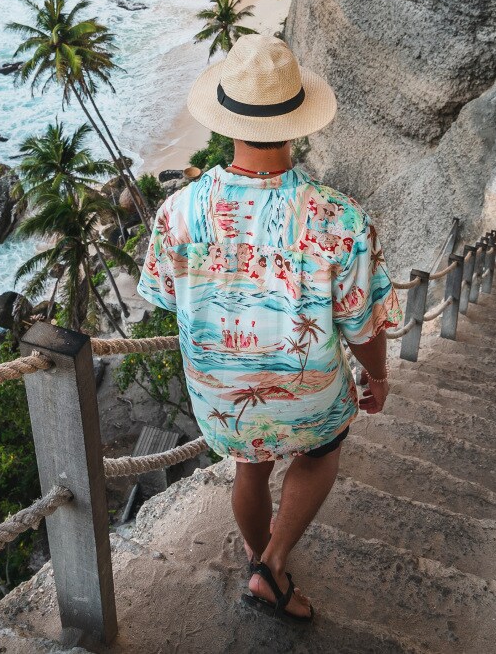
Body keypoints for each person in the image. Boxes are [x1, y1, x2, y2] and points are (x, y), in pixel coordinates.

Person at [137, 35, 401, 623]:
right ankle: (273, 563)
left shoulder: (176, 211)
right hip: (307, 392)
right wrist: (377, 377)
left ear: (227, 118)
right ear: (297, 123)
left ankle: (259, 558)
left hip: (221, 395)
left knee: (249, 465)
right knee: (324, 447)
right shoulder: (341, 219)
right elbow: (363, 323)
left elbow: (160, 295)